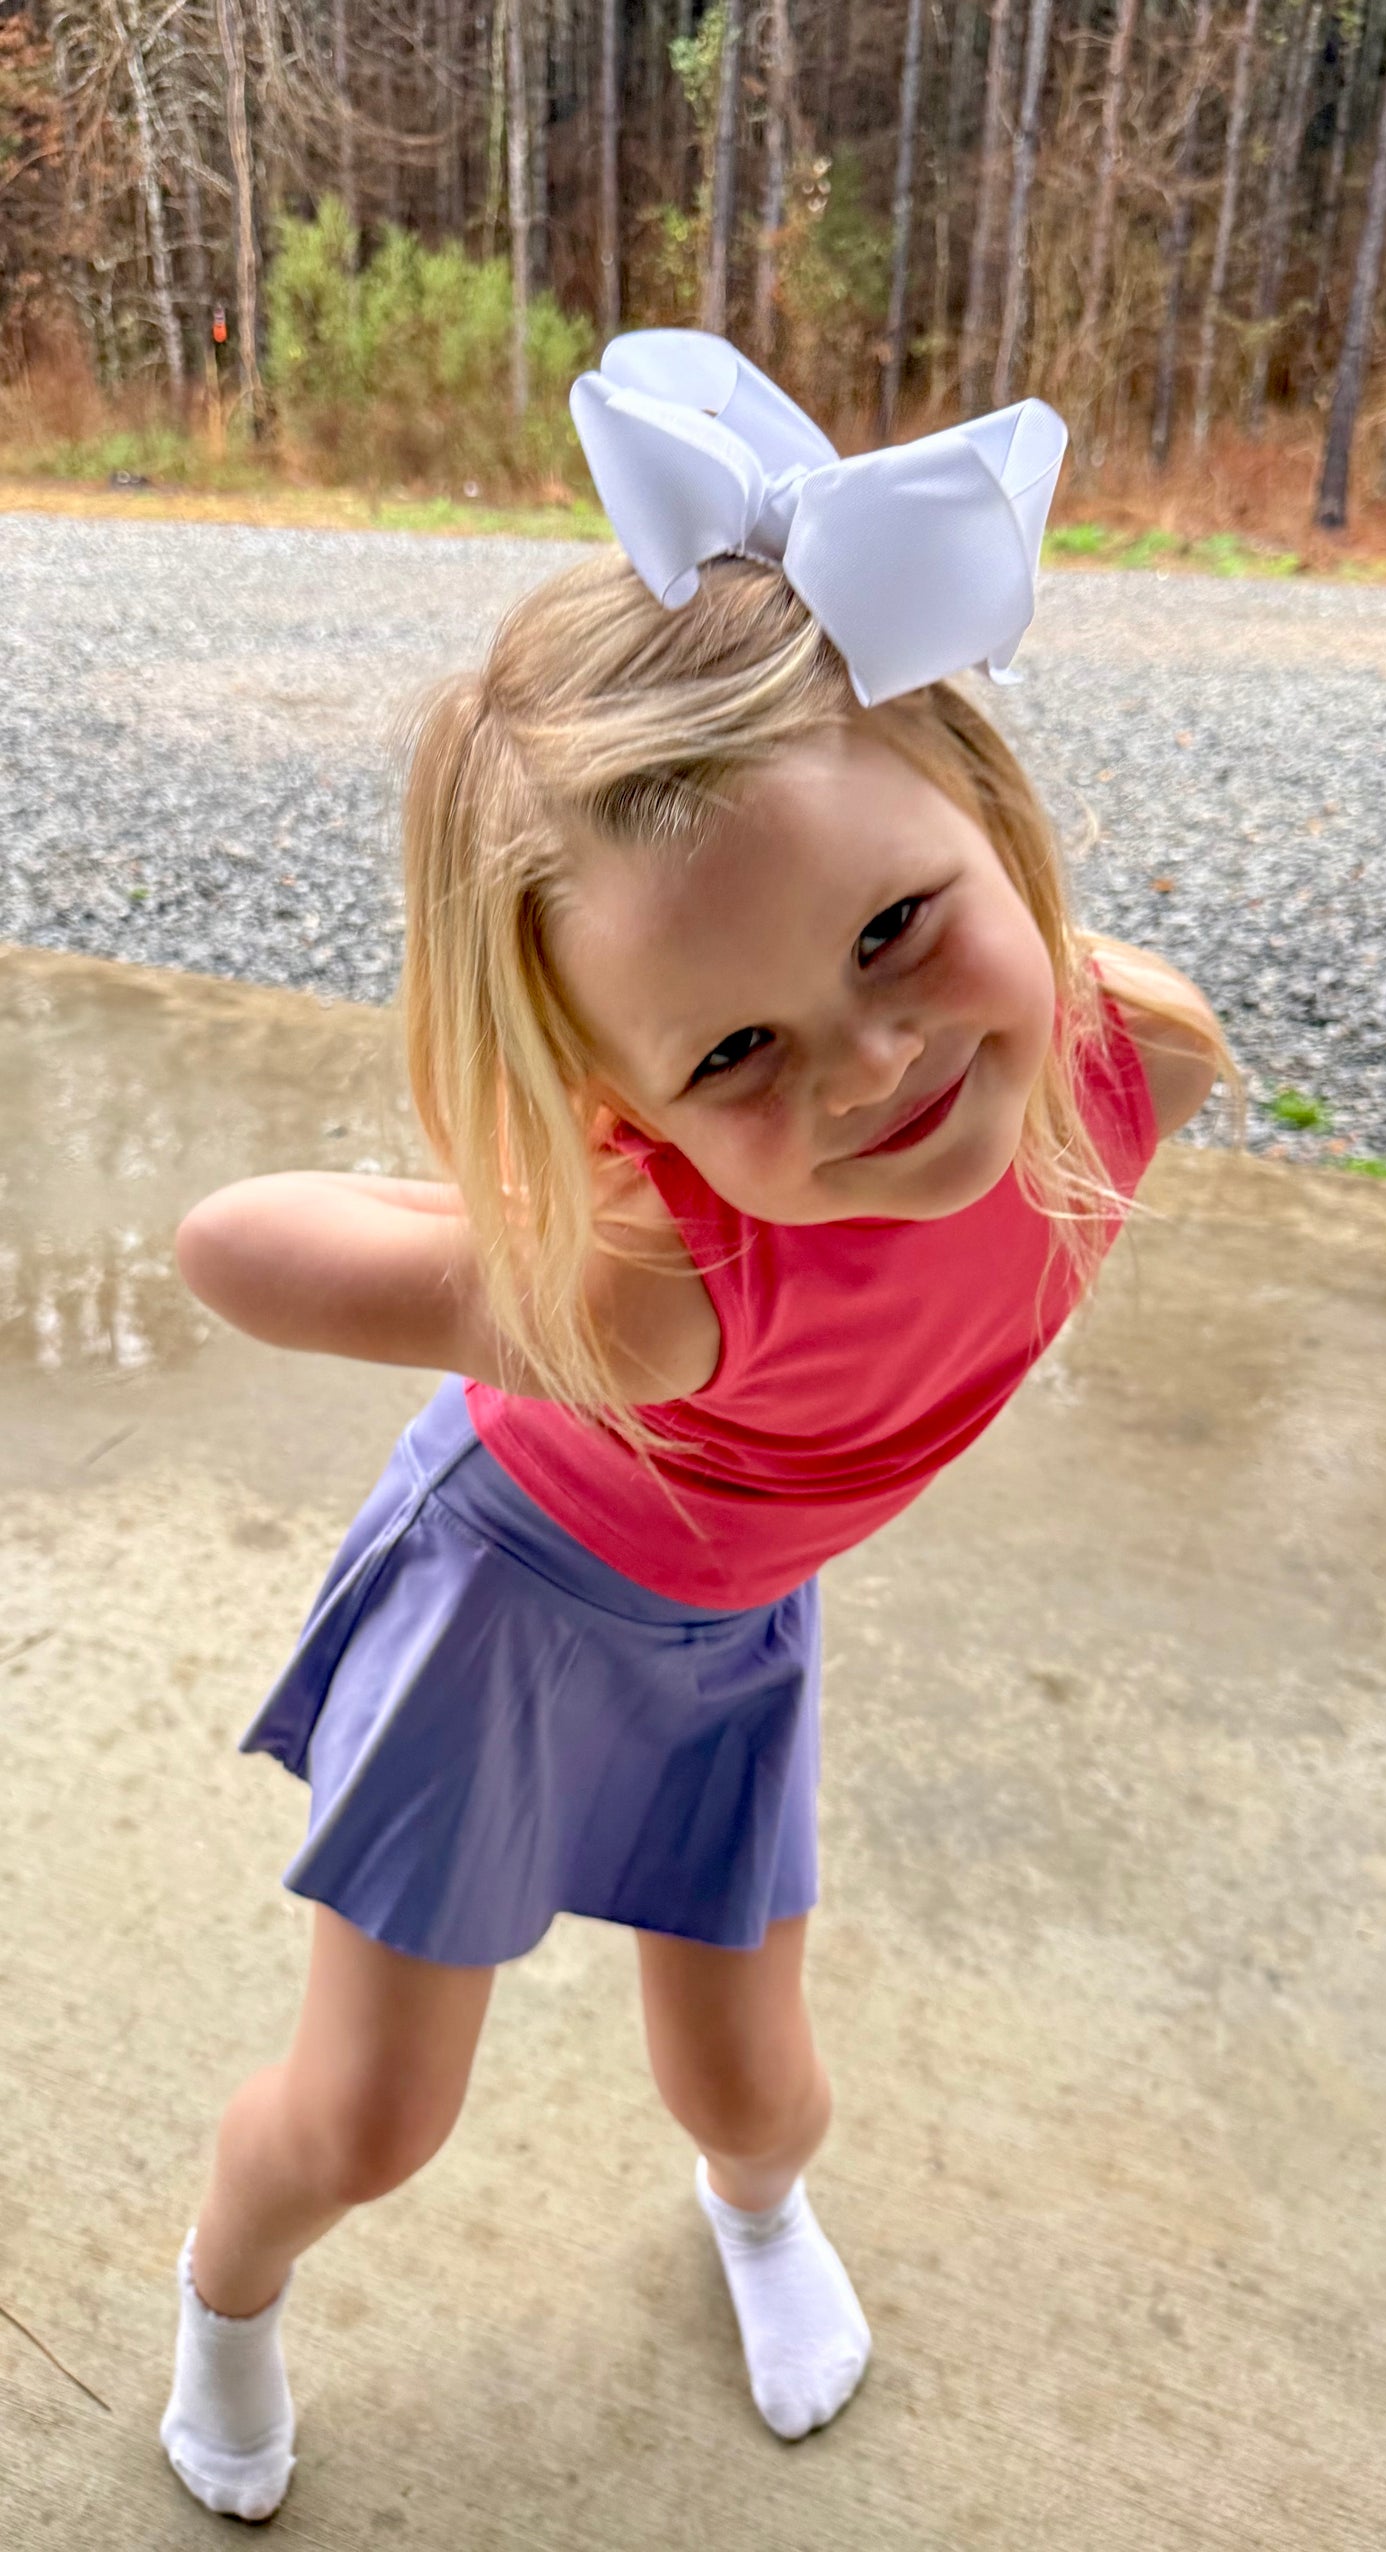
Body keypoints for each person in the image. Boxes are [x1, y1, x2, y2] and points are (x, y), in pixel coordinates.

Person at [158, 335, 1232, 2521]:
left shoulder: (1144, 1062)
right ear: (616, 1114)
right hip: (516, 1603)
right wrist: (534, 1249)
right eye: (732, 1045)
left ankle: (753, 2218)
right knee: (372, 2120)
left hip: (737, 1621)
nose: (863, 1064)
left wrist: (714, 1091)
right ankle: (226, 2297)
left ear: (987, 814)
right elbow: (223, 1244)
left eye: (897, 924)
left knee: (763, 2083)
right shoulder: (651, 1295)